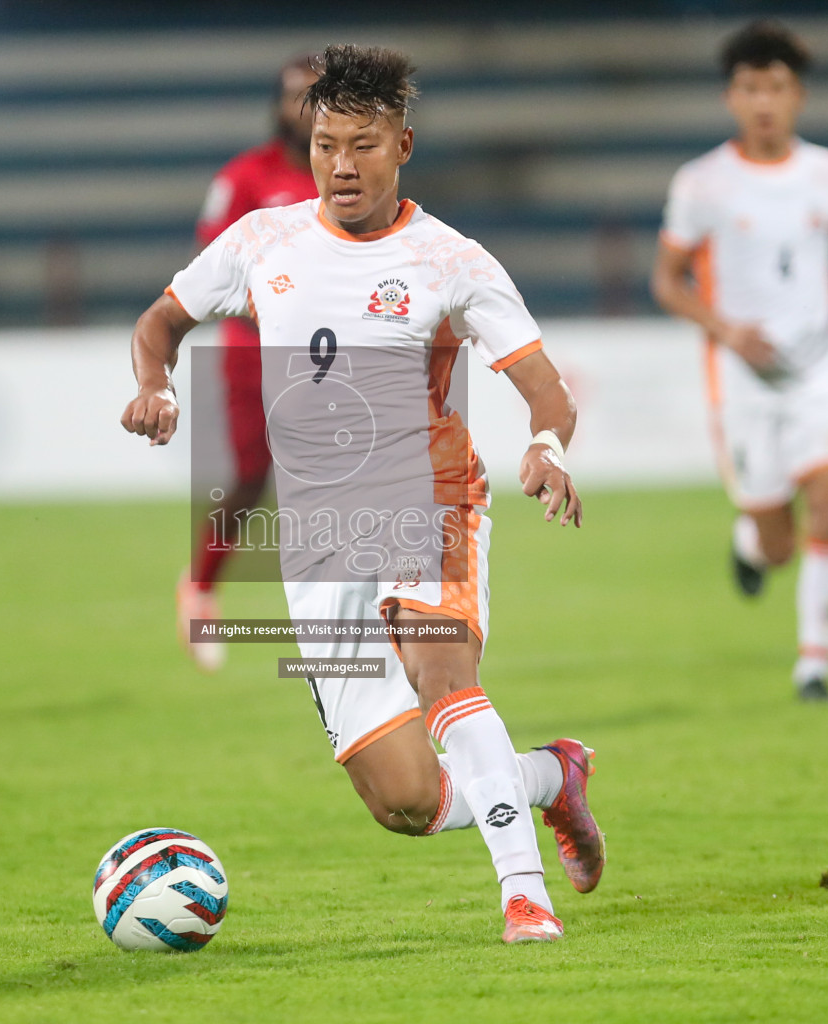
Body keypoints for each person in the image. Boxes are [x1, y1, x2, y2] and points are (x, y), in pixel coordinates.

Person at [121, 44, 603, 944]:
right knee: (405, 801)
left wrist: (546, 445)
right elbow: (159, 323)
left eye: (364, 146)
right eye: (325, 144)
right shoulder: (261, 242)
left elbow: (547, 388)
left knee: (442, 674)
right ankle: (549, 778)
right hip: (318, 540)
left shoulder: (449, 259)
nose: (341, 165)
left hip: (431, 506)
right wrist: (159, 386)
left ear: (404, 146)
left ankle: (522, 898)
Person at [650, 21, 828, 703]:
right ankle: (752, 543)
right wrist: (725, 329)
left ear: (797, 96)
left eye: (775, 88)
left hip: (819, 365)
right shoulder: (702, 183)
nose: (763, 102)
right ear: (730, 97)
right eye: (750, 88)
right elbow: (667, 281)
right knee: (778, 542)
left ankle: (813, 664)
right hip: (744, 377)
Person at [176, 55, 323, 672]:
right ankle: (201, 586)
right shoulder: (244, 178)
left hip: (328, 352)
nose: (305, 106)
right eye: (295, 95)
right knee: (250, 479)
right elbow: (211, 268)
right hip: (251, 350)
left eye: (316, 95)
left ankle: (351, 615)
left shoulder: (344, 175)